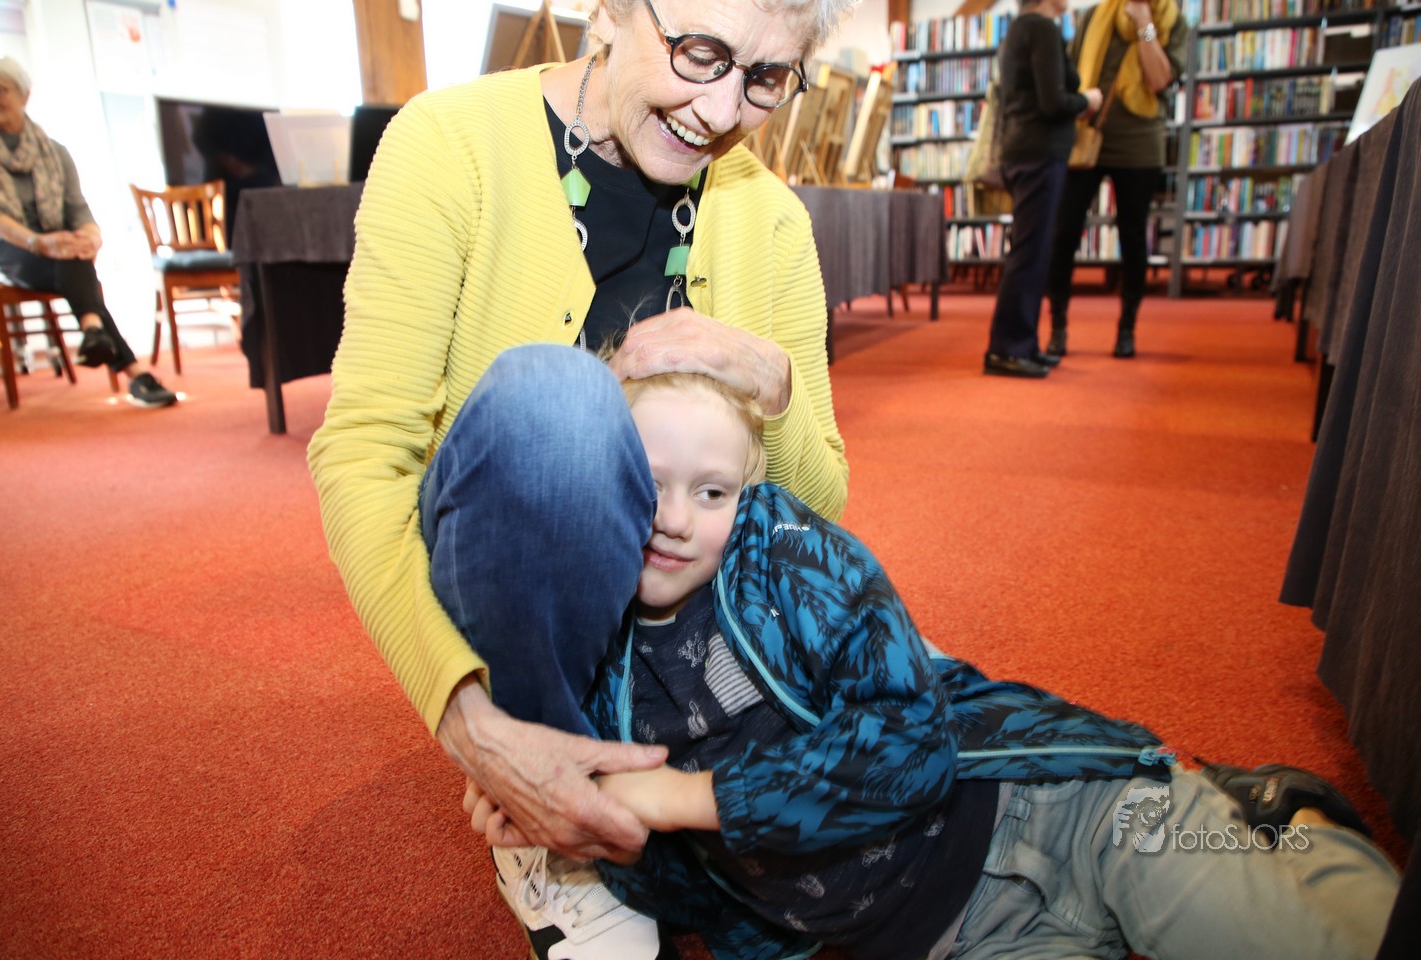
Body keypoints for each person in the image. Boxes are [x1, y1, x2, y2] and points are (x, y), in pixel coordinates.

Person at [305, 1, 855, 956]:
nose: (722, 110)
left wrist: (774, 383)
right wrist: (472, 723)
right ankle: (555, 825)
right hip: (513, 572)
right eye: (700, 53)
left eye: (766, 78)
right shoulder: (449, 144)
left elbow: (819, 507)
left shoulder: (771, 217)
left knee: (934, 729)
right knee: (555, 405)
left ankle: (656, 768)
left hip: (686, 611)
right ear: (607, 11)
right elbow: (363, 450)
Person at [539, 367, 1399, 960]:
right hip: (974, 940)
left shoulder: (789, 555)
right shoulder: (597, 667)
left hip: (1071, 813)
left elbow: (911, 744)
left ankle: (1298, 826)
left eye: (712, 491)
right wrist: (598, 831)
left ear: (751, 493)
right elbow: (697, 886)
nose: (676, 517)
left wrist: (683, 797)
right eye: (648, 482)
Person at [0, 56, 176, 408]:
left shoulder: (55, 152)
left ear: (24, 95)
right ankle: (123, 362)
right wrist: (38, 241)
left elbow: (78, 209)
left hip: (57, 247)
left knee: (73, 253)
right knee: (71, 260)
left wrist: (91, 237)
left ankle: (95, 334)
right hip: (4, 246)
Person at [1046, 0, 1189, 359]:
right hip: (1086, 136)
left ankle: (1127, 329)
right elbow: (1070, 71)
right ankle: (1057, 326)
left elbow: (1158, 79)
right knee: (1064, 233)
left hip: (1139, 142)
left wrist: (1144, 24)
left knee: (1133, 236)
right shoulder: (1094, 15)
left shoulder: (1171, 21)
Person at [983, 0, 1101, 379]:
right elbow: (1053, 102)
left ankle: (1023, 343)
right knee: (1030, 252)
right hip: (1038, 153)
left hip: (1024, 151)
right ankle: (1008, 348)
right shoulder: (1043, 28)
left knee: (1032, 250)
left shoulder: (1020, 28)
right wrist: (1088, 101)